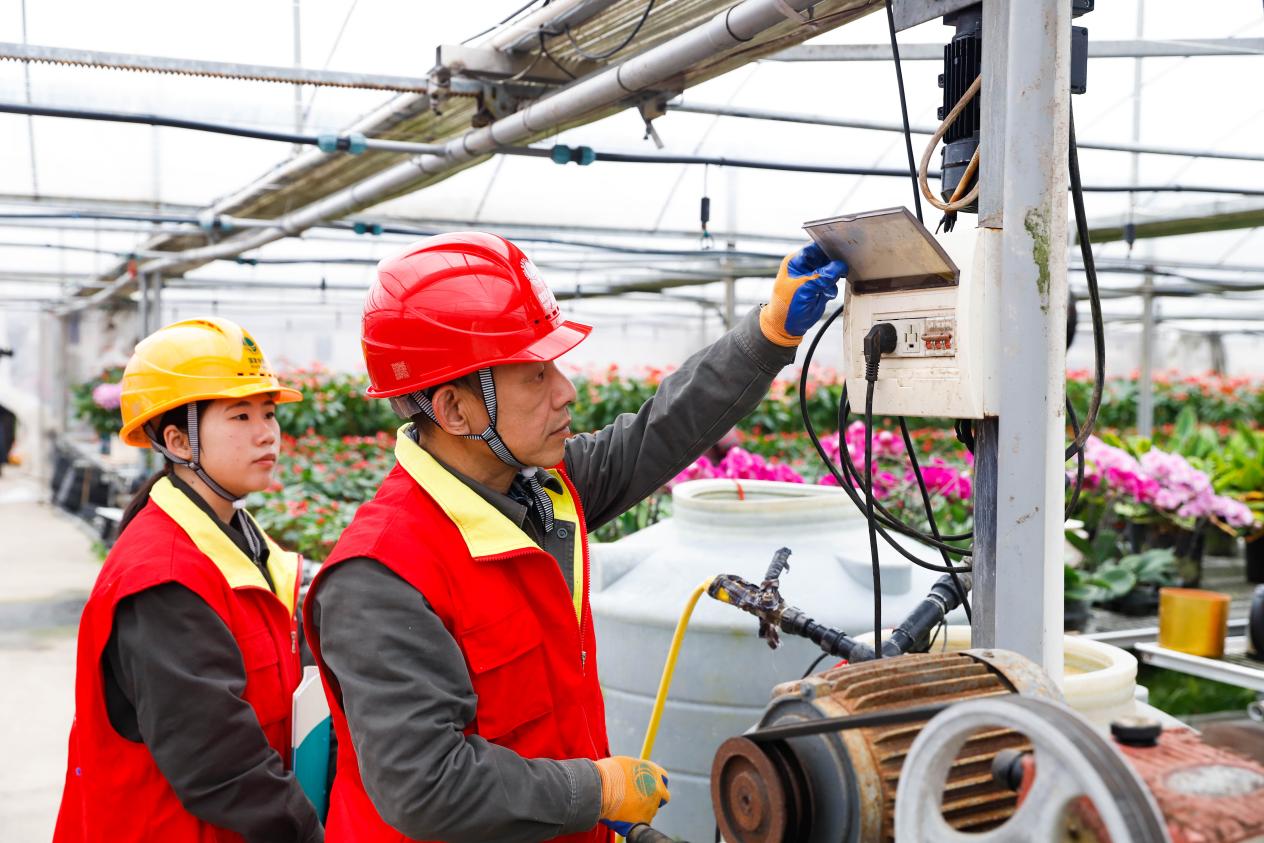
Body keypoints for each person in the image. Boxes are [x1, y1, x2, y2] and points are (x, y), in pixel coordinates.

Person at [304, 231, 846, 842]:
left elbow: (660, 431)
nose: (566, 390)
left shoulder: (540, 490)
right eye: (536, 375)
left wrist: (769, 333)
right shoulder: (380, 577)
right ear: (455, 411)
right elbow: (426, 785)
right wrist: (597, 790)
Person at [55, 317, 324, 843]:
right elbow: (221, 764)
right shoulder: (164, 580)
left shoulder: (243, 543)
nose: (267, 433)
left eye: (269, 413)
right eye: (241, 415)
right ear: (178, 441)